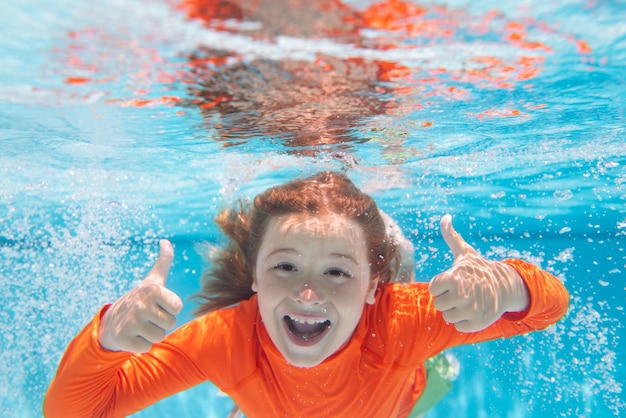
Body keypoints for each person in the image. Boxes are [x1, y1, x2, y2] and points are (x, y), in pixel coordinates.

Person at [44, 171, 569, 417]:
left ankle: (386, 264)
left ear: (372, 289)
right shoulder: (224, 340)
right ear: (254, 275)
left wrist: (506, 288)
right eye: (286, 266)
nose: (308, 293)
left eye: (336, 274)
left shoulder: (401, 320)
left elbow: (549, 308)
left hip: (406, 393)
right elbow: (73, 413)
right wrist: (108, 338)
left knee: (441, 373)